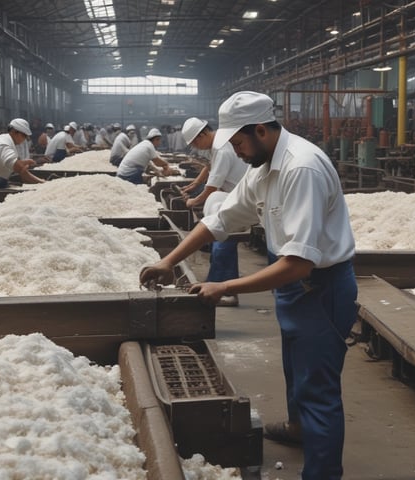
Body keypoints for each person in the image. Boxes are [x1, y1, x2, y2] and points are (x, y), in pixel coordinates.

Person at [139, 91, 358, 480]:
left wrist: (224, 286)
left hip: (319, 287)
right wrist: (168, 261)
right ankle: (297, 427)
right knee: (296, 366)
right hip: (293, 284)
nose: (236, 152)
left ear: (261, 130)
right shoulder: (261, 167)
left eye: (238, 143)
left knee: (318, 388)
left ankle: (323, 472)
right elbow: (219, 221)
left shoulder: (300, 168)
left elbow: (299, 263)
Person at [179, 116, 249, 306]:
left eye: (195, 142)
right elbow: (210, 168)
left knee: (221, 237)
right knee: (222, 237)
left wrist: (194, 201)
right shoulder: (218, 143)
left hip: (242, 196)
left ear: (203, 134)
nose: (196, 147)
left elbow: (212, 187)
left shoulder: (222, 148)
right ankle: (224, 288)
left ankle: (219, 289)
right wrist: (194, 184)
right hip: (233, 194)